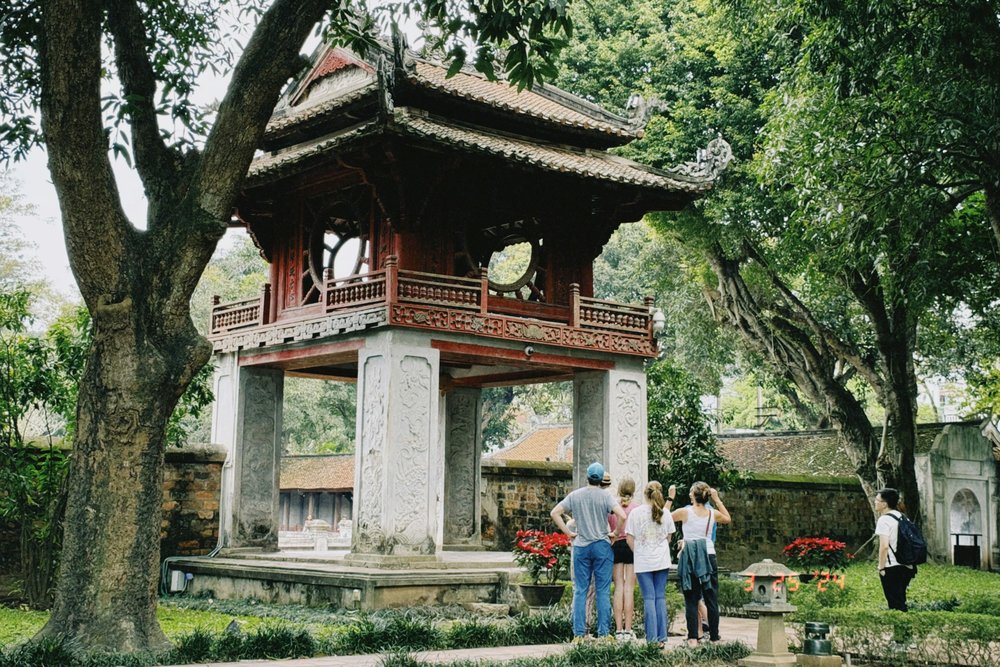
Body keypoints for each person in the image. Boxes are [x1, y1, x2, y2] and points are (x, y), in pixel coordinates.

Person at [551, 462, 626, 641]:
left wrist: (568, 533)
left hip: (581, 546)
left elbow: (555, 512)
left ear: (587, 477)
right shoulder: (606, 497)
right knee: (602, 590)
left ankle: (578, 634)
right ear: (601, 479)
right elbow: (622, 515)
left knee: (580, 591)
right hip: (601, 545)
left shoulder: (575, 495)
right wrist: (615, 533)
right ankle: (603, 634)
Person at [672, 481, 730, 646]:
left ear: (693, 495)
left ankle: (692, 638)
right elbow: (727, 518)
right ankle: (714, 637)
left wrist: (670, 498)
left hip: (690, 555)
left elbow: (664, 518)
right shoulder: (713, 514)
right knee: (711, 598)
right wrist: (717, 500)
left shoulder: (684, 512)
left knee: (691, 598)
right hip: (709, 554)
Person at [625, 481, 676, 647]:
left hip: (643, 560)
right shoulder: (666, 513)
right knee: (660, 597)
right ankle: (662, 638)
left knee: (649, 598)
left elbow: (629, 539)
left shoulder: (635, 513)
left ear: (645, 494)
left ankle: (652, 639)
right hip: (662, 559)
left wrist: (639, 552)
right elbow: (669, 538)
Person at [874, 487, 916, 611]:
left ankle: (903, 627)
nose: (875, 502)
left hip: (891, 567)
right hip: (907, 565)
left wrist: (881, 567)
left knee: (895, 604)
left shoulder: (884, 520)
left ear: (884, 504)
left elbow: (884, 546)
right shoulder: (902, 517)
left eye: (877, 500)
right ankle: (903, 628)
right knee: (901, 600)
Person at [609, 477, 640, 640]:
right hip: (631, 545)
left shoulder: (613, 507)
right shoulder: (637, 508)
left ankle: (618, 630)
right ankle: (628, 630)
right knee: (629, 588)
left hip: (616, 545)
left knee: (618, 587)